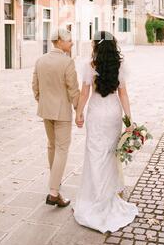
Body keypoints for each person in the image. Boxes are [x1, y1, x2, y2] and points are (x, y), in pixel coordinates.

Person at [73, 30, 138, 232]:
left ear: (96, 46)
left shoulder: (89, 66)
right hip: (112, 113)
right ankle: (107, 195)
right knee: (110, 154)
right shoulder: (119, 65)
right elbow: (124, 94)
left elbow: (84, 93)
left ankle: (94, 197)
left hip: (96, 112)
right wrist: (129, 119)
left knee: (94, 154)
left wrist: (78, 113)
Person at [32, 27, 80, 207]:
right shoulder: (67, 62)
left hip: (46, 110)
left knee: (52, 146)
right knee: (61, 149)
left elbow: (35, 87)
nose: (72, 42)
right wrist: (78, 110)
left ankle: (56, 186)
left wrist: (43, 101)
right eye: (69, 40)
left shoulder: (40, 60)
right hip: (62, 113)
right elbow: (73, 90)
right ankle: (54, 191)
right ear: (59, 41)